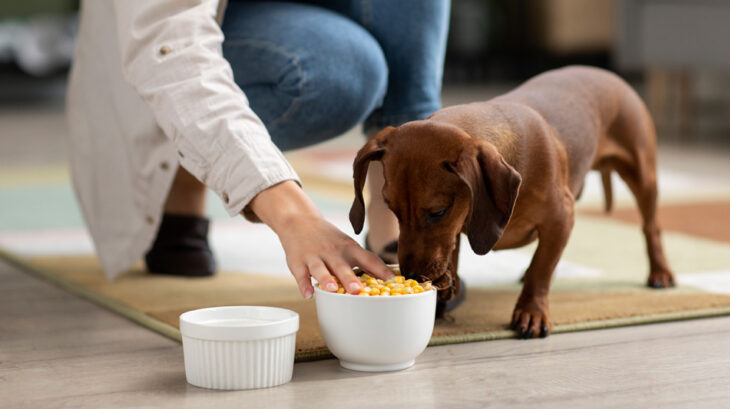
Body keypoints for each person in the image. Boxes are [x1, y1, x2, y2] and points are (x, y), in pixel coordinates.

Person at [66, 0, 450, 298]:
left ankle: (393, 232)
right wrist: (293, 215)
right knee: (342, 73)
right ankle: (181, 178)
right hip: (196, 28)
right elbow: (169, 43)